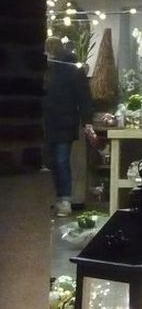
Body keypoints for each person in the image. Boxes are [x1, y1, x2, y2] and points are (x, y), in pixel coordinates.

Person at [44, 36, 94, 216]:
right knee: (56, 162)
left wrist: (87, 120)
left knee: (60, 160)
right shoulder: (68, 69)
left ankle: (64, 199)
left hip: (61, 121)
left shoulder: (67, 69)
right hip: (58, 121)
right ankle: (61, 198)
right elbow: (84, 96)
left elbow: (83, 96)